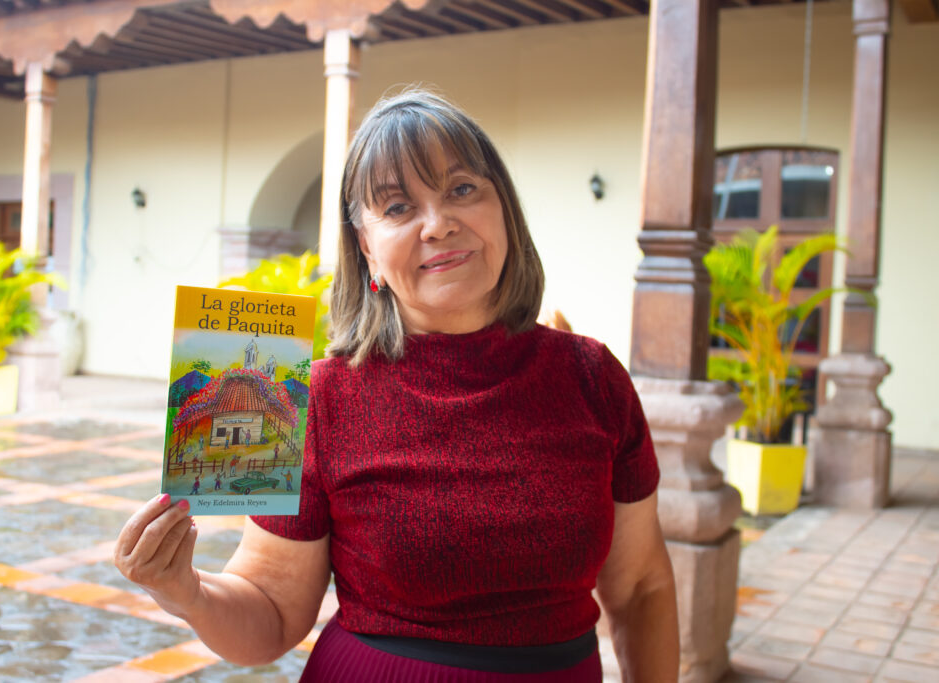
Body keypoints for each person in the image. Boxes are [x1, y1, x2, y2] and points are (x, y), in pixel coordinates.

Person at [114, 89, 679, 681]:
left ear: (504, 209)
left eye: (462, 189)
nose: (439, 224)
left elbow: (642, 586)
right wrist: (186, 592)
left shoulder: (592, 377)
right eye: (398, 207)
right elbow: (273, 611)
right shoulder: (319, 400)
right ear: (367, 248)